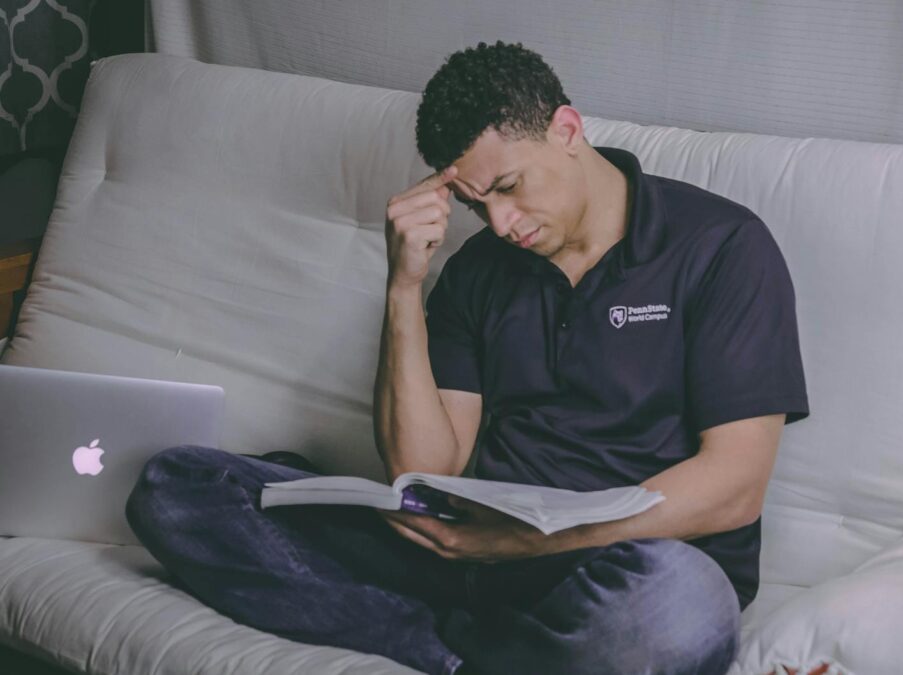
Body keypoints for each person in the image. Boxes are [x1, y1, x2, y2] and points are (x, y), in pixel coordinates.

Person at [125, 40, 810, 675]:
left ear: (567, 130)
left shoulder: (721, 247)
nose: (502, 226)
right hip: (473, 556)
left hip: (623, 570)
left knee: (679, 612)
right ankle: (462, 649)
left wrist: (529, 544)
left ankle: (447, 647)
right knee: (176, 487)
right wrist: (404, 284)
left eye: (510, 188)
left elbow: (735, 484)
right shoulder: (480, 270)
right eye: (477, 207)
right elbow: (422, 471)